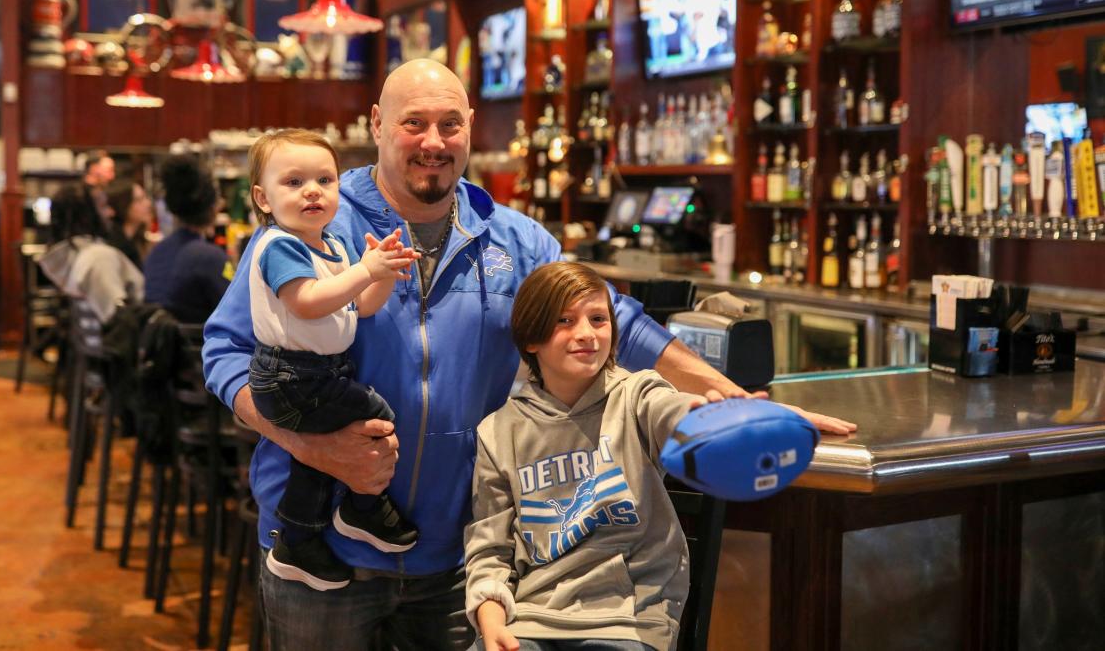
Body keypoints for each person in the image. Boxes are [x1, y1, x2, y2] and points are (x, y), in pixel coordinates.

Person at [202, 59, 854, 650]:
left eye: (449, 125)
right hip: (321, 560)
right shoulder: (315, 221)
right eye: (414, 123)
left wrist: (730, 395)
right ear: (377, 125)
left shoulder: (514, 240)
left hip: (459, 559)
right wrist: (311, 446)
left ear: (469, 130)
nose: (433, 142)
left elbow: (614, 321)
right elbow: (224, 353)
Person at [465, 262, 707, 651]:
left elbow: (673, 412)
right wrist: (490, 628)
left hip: (628, 619)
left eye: (598, 319)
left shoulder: (637, 394)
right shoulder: (498, 431)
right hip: (531, 619)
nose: (586, 335)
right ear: (531, 338)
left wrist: (704, 418)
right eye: (565, 320)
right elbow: (490, 551)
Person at [243, 129, 422, 591]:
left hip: (312, 374)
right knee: (375, 413)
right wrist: (364, 271)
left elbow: (359, 307)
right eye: (294, 181)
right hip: (289, 376)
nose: (312, 191)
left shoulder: (331, 247)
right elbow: (307, 302)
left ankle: (300, 539)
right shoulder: (280, 244)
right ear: (263, 198)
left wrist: (379, 271)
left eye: (325, 179)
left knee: (320, 453)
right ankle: (361, 508)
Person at [143, 156, 231, 324]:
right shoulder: (210, 257)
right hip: (201, 348)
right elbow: (239, 311)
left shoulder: (157, 252)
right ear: (213, 206)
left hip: (160, 348)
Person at [39, 182, 141, 324]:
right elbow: (120, 321)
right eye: (103, 206)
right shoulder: (99, 258)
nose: (110, 212)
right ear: (86, 215)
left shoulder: (71, 258)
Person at [104, 179, 153, 268]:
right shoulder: (116, 247)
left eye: (145, 197)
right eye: (139, 200)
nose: (148, 203)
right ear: (123, 205)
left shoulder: (136, 239)